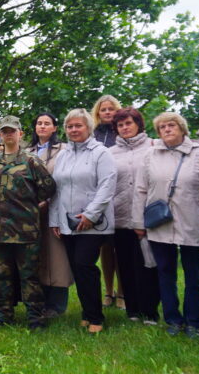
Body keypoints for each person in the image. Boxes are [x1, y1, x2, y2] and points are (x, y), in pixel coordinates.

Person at [134, 111, 199, 338]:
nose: (167, 129)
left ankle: (194, 321)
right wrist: (138, 222)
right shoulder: (150, 155)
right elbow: (140, 189)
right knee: (165, 273)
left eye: (171, 125)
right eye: (162, 127)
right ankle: (173, 319)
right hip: (159, 223)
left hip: (192, 222)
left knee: (194, 275)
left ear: (182, 128)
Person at [49, 108, 116, 333]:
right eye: (70, 126)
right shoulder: (64, 155)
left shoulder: (101, 153)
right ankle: (87, 313)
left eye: (78, 125)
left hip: (92, 223)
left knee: (84, 265)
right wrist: (54, 220)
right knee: (77, 269)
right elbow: (56, 189)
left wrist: (90, 214)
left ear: (88, 127)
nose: (74, 130)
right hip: (67, 222)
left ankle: (96, 317)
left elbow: (107, 186)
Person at [0, 116, 55, 329]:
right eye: (5, 131)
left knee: (30, 277)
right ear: (1, 135)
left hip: (25, 230)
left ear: (20, 134)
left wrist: (35, 204)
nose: (8, 134)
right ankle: (3, 315)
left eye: (12, 131)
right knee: (1, 276)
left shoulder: (31, 160)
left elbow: (48, 187)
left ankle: (35, 317)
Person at [108, 107, 160, 324]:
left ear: (138, 124)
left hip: (146, 216)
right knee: (126, 264)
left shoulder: (153, 147)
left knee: (147, 264)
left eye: (128, 123)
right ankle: (132, 309)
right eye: (120, 125)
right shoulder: (111, 152)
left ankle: (150, 310)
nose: (125, 128)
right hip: (120, 216)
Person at [27, 111, 72, 317]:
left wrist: (47, 201)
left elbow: (64, 180)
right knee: (36, 256)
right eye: (39, 123)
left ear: (55, 128)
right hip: (30, 211)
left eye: (47, 123)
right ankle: (39, 301)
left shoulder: (64, 150)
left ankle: (57, 304)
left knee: (57, 256)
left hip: (54, 208)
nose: (42, 126)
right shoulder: (26, 150)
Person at [90, 94, 123, 309]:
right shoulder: (93, 134)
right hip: (97, 195)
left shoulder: (122, 132)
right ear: (98, 113)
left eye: (111, 109)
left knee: (119, 247)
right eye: (104, 109)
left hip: (120, 194)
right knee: (105, 247)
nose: (108, 112)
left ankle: (122, 292)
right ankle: (108, 291)